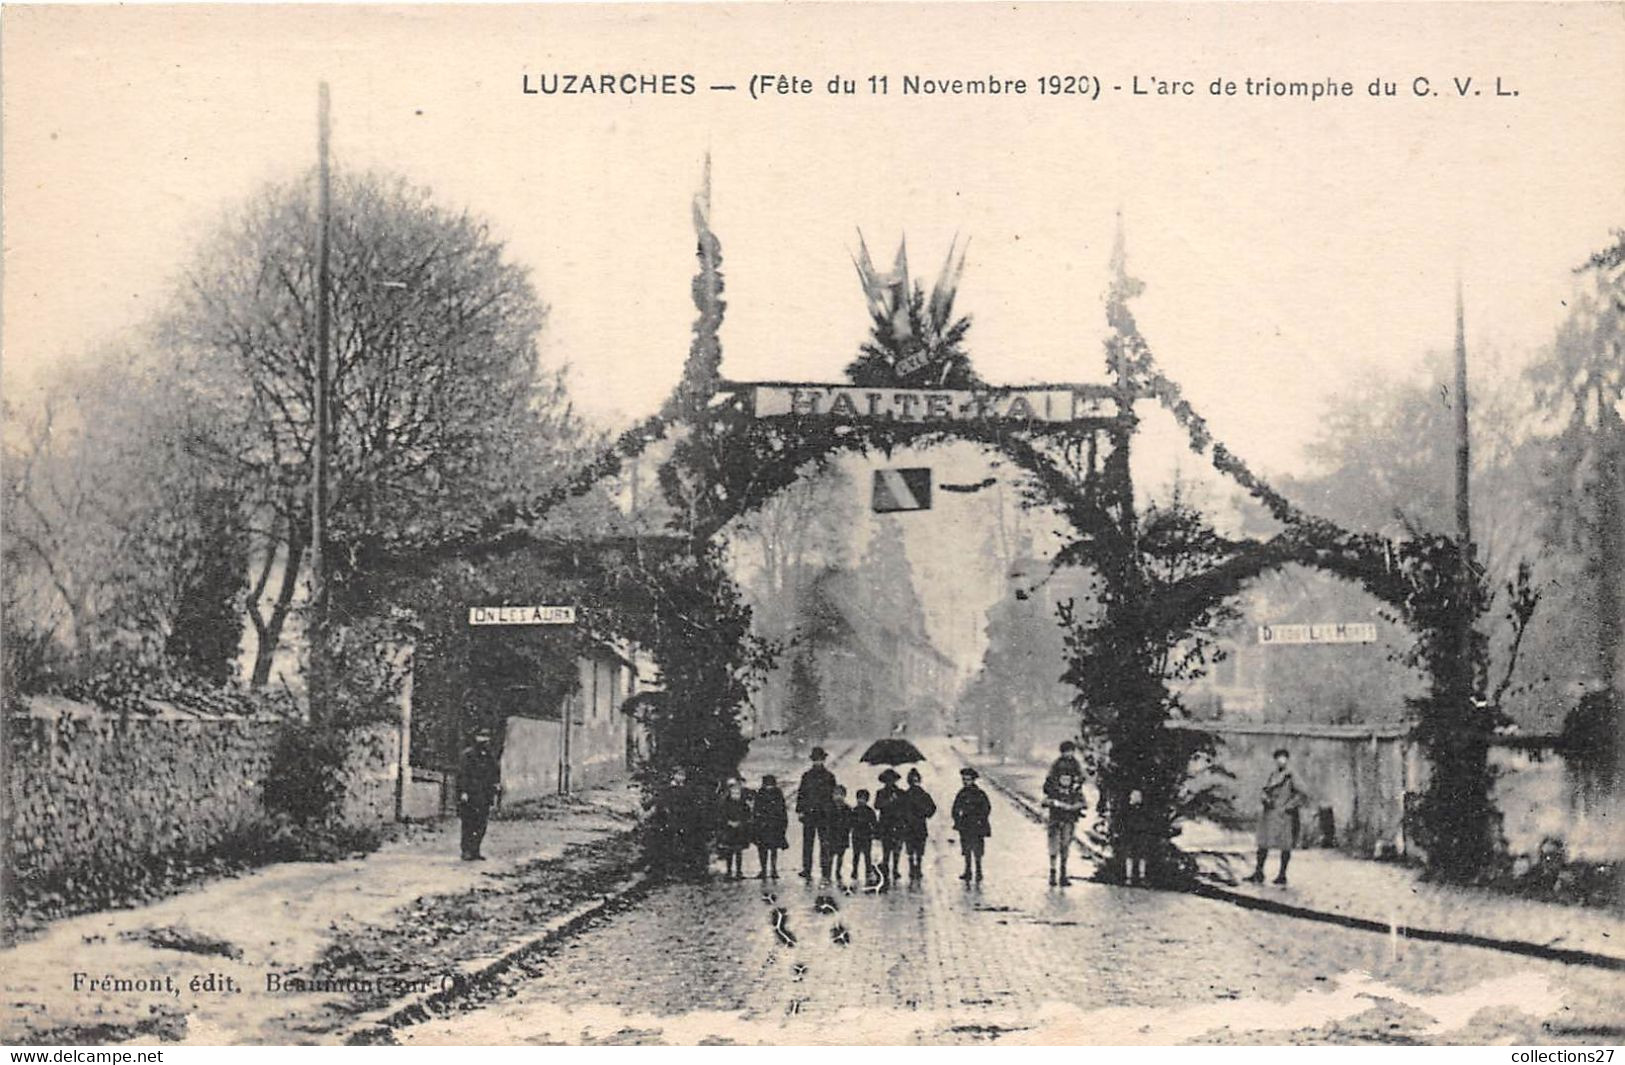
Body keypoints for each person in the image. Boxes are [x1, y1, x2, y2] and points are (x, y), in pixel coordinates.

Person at [1247, 748, 1307, 885]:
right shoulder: (1273, 775)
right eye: (1278, 758)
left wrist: (1289, 806)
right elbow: (1265, 789)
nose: (1281, 761)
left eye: (1283, 758)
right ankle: (1259, 872)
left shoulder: (1291, 776)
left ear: (1287, 760)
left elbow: (1303, 793)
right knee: (1263, 844)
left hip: (1283, 815)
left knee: (1285, 845)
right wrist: (1265, 798)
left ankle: (1282, 875)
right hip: (1269, 813)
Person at [1042, 744, 1087, 886]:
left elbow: (1083, 801)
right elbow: (1046, 797)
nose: (1069, 754)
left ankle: (1063, 873)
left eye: (1071, 751)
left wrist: (1073, 806)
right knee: (1054, 846)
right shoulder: (1056, 766)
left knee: (1066, 845)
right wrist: (1055, 803)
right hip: (1055, 819)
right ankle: (1053, 872)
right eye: (1067, 751)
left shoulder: (1076, 767)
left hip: (1069, 820)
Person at [457, 726, 502, 862]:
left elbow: (495, 772)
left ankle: (476, 850)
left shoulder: (489, 756)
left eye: (486, 737)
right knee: (468, 823)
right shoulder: (468, 755)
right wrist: (463, 791)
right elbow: (463, 774)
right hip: (471, 794)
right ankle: (466, 850)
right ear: (475, 738)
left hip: (484, 794)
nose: (484, 740)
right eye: (481, 736)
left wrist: (496, 785)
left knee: (481, 824)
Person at [796, 746, 838, 880]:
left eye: (820, 760)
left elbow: (833, 795)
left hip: (824, 814)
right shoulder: (806, 776)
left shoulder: (830, 777)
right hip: (809, 814)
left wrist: (832, 811)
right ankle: (806, 868)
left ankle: (825, 869)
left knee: (825, 842)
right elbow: (801, 794)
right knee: (808, 843)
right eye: (815, 760)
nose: (817, 762)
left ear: (824, 760)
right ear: (812, 761)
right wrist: (800, 810)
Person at [951, 766, 992, 882]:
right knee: (966, 849)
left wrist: (980, 818)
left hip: (977, 826)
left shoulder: (980, 793)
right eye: (963, 779)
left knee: (978, 849)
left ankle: (979, 871)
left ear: (973, 780)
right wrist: (957, 819)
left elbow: (987, 808)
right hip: (965, 825)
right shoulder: (961, 793)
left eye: (968, 779)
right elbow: (954, 808)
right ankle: (968, 871)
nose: (965, 782)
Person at [902, 767, 937, 882]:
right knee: (912, 848)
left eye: (916, 780)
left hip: (918, 825)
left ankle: (917, 867)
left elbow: (932, 807)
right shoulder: (906, 795)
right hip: (911, 826)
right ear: (909, 782)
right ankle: (913, 867)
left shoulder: (923, 795)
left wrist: (925, 813)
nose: (915, 783)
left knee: (918, 848)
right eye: (912, 781)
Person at [874, 768, 907, 889]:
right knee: (886, 848)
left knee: (897, 848)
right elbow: (877, 805)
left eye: (892, 780)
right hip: (886, 824)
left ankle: (896, 869)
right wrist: (889, 801)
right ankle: (886, 867)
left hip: (898, 823)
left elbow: (905, 807)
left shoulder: (901, 793)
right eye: (887, 781)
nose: (890, 783)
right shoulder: (880, 793)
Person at [752, 773, 789, 879]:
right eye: (767, 785)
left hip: (774, 826)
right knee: (762, 849)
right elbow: (756, 810)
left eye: (770, 785)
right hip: (763, 826)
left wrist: (783, 825)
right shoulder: (760, 794)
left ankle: (773, 869)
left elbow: (782, 810)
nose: (768, 787)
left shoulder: (778, 794)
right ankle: (763, 869)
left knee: (773, 849)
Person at [716, 777, 752, 880]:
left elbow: (747, 816)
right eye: (734, 793)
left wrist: (741, 823)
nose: (736, 795)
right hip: (729, 830)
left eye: (738, 793)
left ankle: (739, 871)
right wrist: (728, 822)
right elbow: (722, 816)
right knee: (729, 851)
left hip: (740, 830)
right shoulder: (725, 804)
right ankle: (729, 871)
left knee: (739, 851)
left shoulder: (743, 805)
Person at [1120, 788, 1151, 886]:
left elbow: (1148, 821)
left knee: (1142, 855)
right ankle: (1128, 877)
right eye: (1135, 796)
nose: (1137, 798)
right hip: (1129, 835)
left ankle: (1142, 877)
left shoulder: (1144, 809)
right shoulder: (1125, 809)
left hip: (1141, 834)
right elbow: (1121, 822)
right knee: (1129, 855)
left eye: (1139, 796)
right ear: (1131, 797)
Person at [849, 788, 878, 885]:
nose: (861, 800)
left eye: (863, 798)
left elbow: (874, 823)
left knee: (867, 855)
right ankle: (855, 871)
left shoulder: (869, 811)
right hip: (856, 835)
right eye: (859, 798)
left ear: (867, 800)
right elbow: (850, 822)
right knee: (856, 854)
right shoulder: (854, 810)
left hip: (866, 835)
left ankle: (868, 871)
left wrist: (874, 832)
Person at [826, 785, 852, 884]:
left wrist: (847, 828)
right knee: (830, 855)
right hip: (832, 834)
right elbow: (826, 821)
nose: (838, 796)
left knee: (841, 855)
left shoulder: (847, 808)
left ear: (844, 795)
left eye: (841, 794)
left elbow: (850, 821)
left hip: (842, 834)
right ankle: (828, 873)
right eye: (836, 794)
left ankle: (838, 871)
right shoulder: (829, 808)